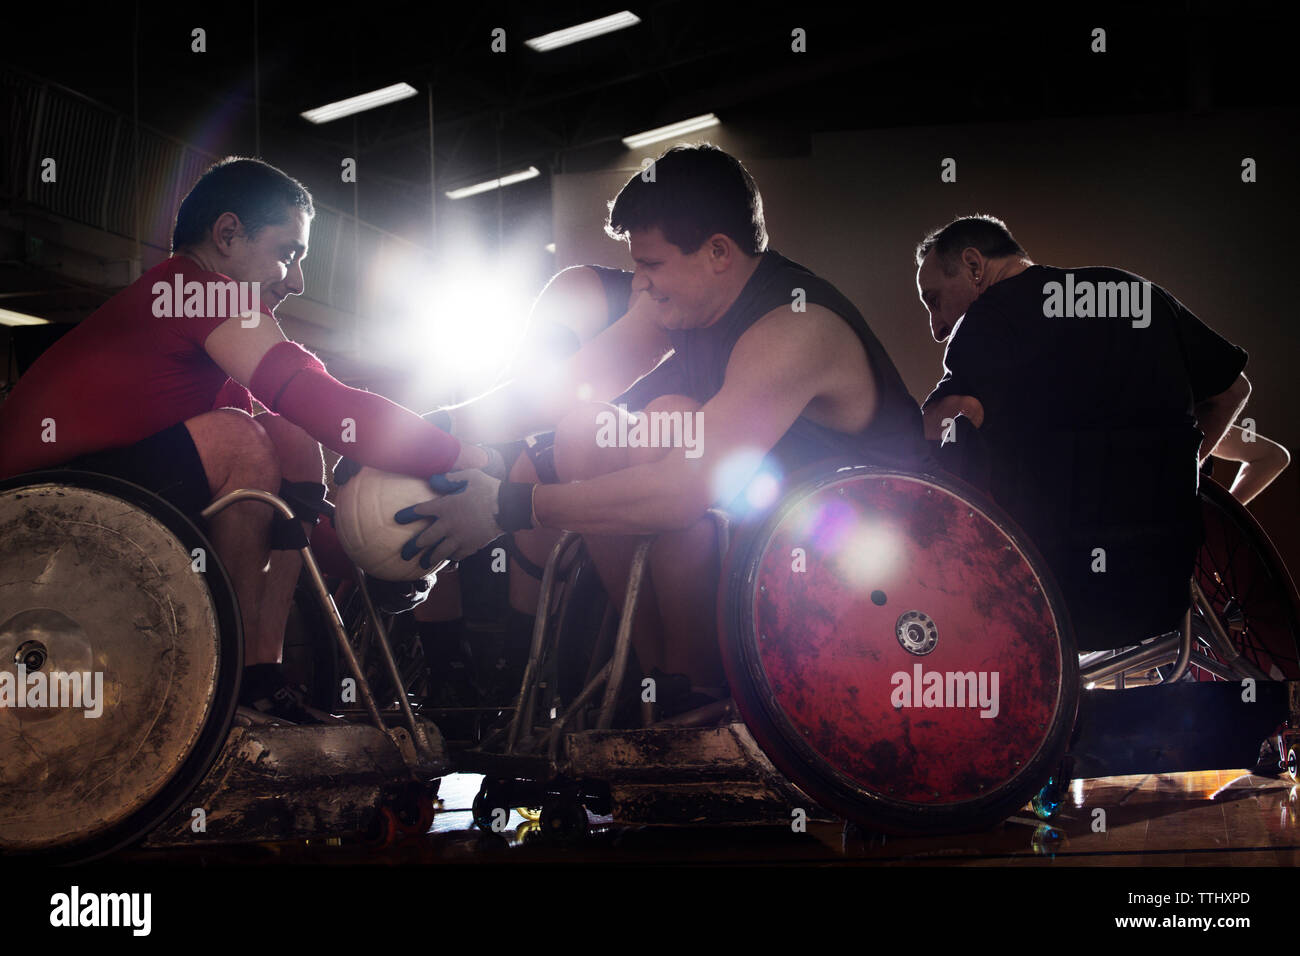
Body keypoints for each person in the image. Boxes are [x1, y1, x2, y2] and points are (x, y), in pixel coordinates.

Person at [382, 143, 930, 720]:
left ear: (718, 252)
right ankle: (659, 686)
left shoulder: (794, 328)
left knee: (669, 421)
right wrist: (423, 435)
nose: (639, 284)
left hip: (883, 561)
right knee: (587, 430)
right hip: (779, 531)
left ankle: (698, 691)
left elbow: (685, 490)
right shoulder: (684, 303)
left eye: (652, 264)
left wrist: (507, 506)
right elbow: (562, 389)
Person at [0, 157, 497, 722]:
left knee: (284, 437)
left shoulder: (193, 339)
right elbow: (320, 399)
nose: (297, 280)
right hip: (26, 523)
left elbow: (283, 507)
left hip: (79, 504)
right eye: (289, 253)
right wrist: (473, 457)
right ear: (228, 234)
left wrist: (375, 554)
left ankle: (260, 676)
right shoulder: (194, 290)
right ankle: (227, 683)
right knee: (244, 440)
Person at [914, 214, 1252, 651]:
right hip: (1159, 590)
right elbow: (1231, 393)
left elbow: (954, 416)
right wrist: (1186, 472)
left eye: (934, 301)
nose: (937, 327)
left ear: (975, 265)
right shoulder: (1133, 292)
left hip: (1047, 593)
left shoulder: (989, 318)